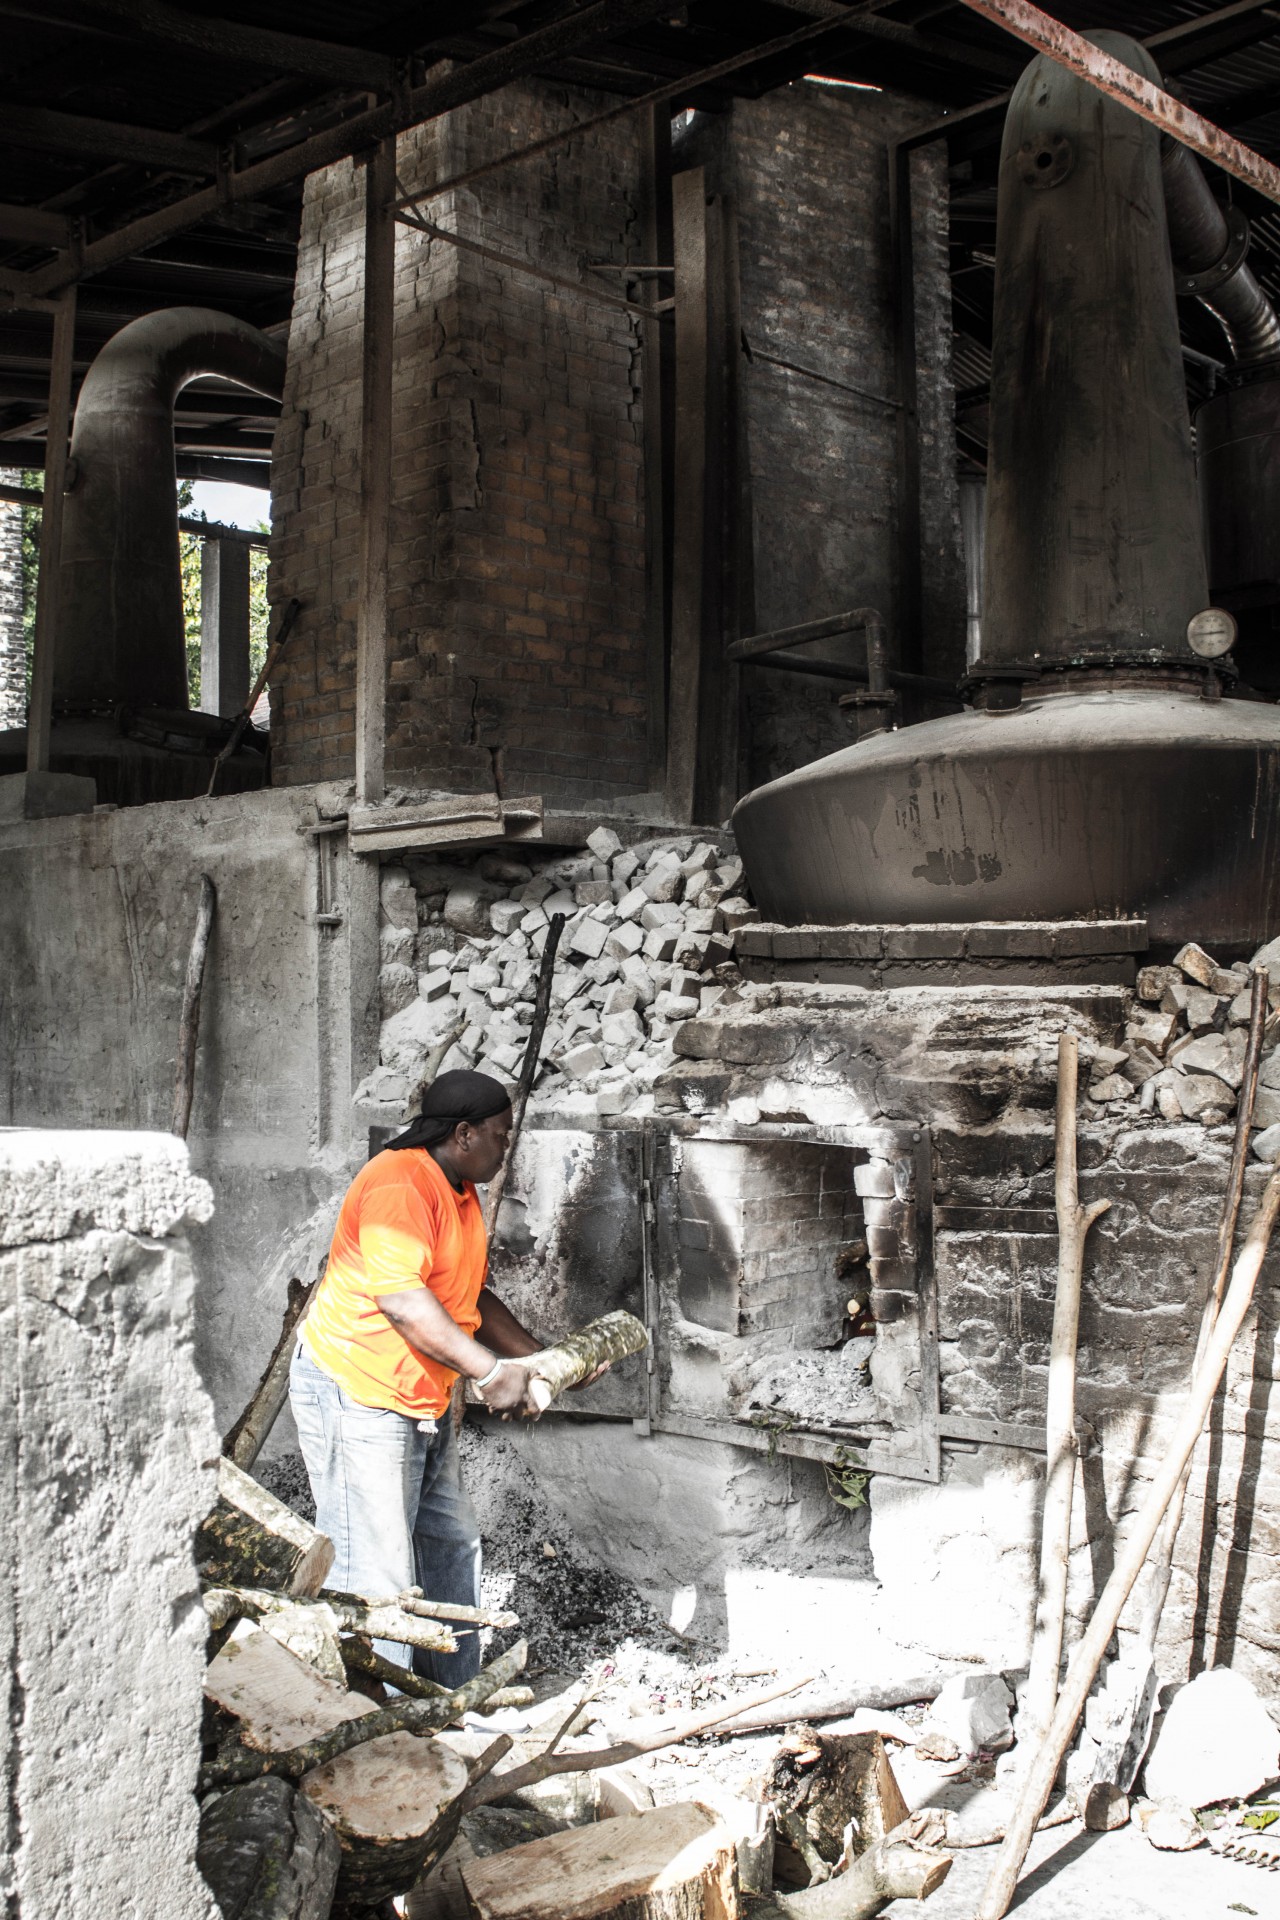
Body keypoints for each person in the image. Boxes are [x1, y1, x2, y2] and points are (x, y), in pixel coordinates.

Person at [289, 1069, 550, 1690]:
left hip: (419, 1400)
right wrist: (490, 1372)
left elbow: (466, 1295)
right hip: (360, 1395)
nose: (506, 1146)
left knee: (450, 1543)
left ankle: (452, 1696)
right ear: (463, 1134)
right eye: (500, 1134)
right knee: (373, 1569)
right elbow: (404, 1301)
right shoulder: (399, 1186)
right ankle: (377, 1717)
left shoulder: (459, 1188)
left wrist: (539, 1359)